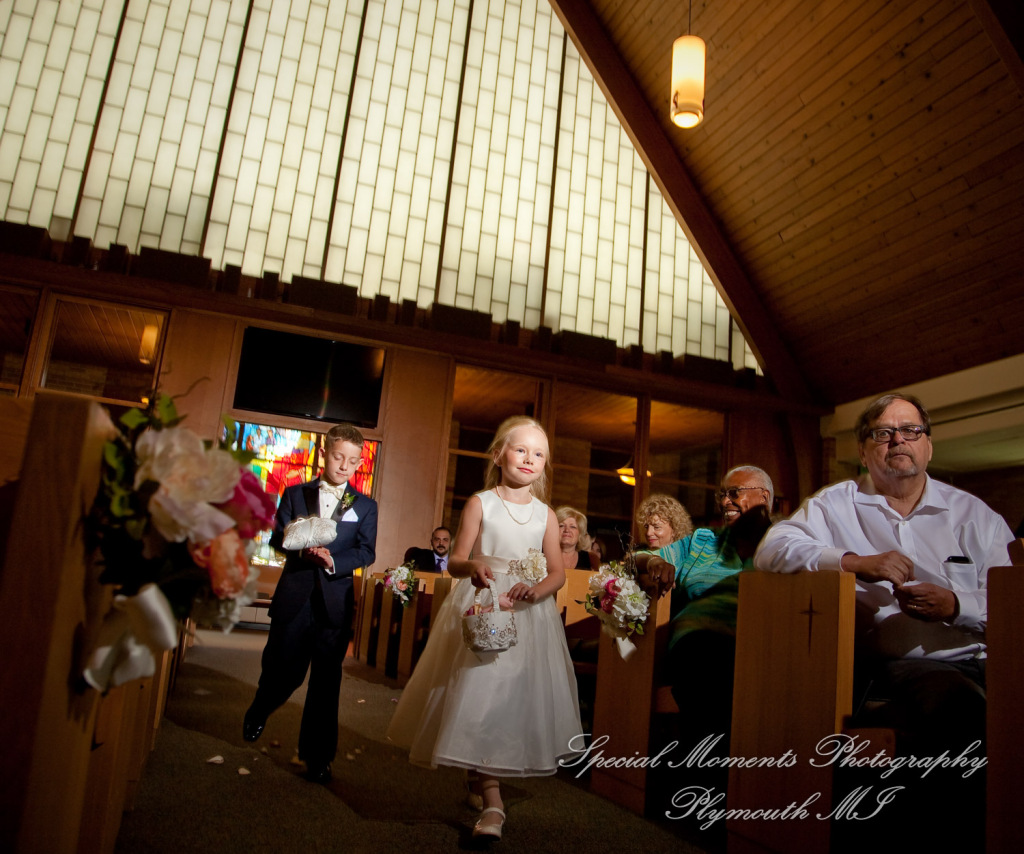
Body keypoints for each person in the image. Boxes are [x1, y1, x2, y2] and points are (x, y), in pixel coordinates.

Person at [754, 393, 1013, 849]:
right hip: (897, 665)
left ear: (928, 445)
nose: (898, 440)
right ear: (864, 450)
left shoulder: (976, 516)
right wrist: (852, 561)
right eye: (883, 433)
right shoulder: (837, 504)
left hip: (990, 656)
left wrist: (956, 606)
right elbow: (771, 550)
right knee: (959, 709)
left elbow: (1013, 599)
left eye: (910, 430)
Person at [386, 416, 582, 841]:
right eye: (521, 450)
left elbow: (556, 572)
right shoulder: (481, 502)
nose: (529, 459)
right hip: (484, 603)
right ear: (499, 455)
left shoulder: (546, 515)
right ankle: (493, 802)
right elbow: (457, 559)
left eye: (539, 454)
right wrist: (474, 566)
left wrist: (537, 590)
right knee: (479, 692)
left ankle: (483, 779)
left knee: (509, 699)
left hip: (528, 613)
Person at [242, 424, 378, 785]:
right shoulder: (295, 494)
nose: (345, 466)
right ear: (324, 454)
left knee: (326, 683)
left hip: (334, 602)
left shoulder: (364, 506)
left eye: (353, 461)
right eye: (338, 457)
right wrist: (301, 549)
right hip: (296, 594)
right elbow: (276, 538)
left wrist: (333, 561)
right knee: (282, 669)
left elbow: (366, 550)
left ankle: (317, 756)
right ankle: (262, 704)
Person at [635, 466, 774, 725]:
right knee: (709, 662)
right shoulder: (703, 539)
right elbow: (635, 559)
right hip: (696, 643)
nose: (724, 502)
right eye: (721, 495)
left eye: (734, 493)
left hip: (759, 644)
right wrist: (653, 563)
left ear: (763, 497)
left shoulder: (784, 541)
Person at [555, 506, 599, 570]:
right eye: (561, 526)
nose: (567, 530)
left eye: (572, 527)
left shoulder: (591, 559)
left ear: (580, 533)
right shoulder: (542, 556)